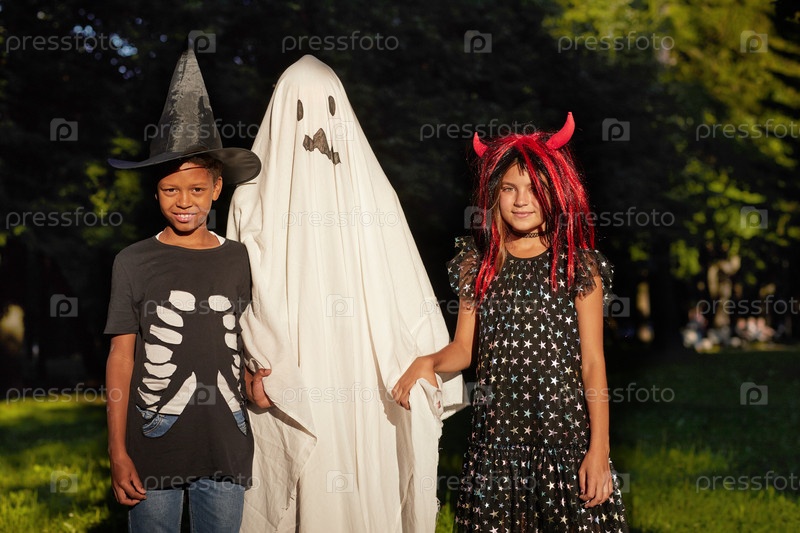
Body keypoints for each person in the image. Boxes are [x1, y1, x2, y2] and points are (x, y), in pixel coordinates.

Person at [226, 55, 466, 532]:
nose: (315, 133)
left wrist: (423, 357)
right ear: (281, 115)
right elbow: (236, 294)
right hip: (292, 373)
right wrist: (252, 361)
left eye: (328, 111)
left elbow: (405, 282)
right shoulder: (251, 198)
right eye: (300, 113)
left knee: (365, 474)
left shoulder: (374, 196)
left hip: (368, 379)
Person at [392, 113, 629, 531]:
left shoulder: (576, 267)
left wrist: (599, 449)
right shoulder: (478, 266)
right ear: (493, 194)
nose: (521, 200)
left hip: (563, 440)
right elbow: (463, 350)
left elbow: (593, 363)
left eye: (534, 188)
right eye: (509, 188)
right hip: (496, 441)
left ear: (556, 192)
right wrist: (428, 362)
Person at [104, 48, 270, 533]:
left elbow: (251, 338)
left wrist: (257, 383)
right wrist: (117, 450)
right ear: (155, 190)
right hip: (151, 452)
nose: (184, 202)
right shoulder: (133, 261)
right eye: (170, 190)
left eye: (197, 190)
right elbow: (121, 356)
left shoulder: (240, 258)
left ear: (217, 189)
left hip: (225, 447)